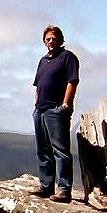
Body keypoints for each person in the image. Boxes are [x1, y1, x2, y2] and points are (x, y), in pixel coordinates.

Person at [31, 25, 79, 203]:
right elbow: (37, 85)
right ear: (44, 41)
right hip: (41, 110)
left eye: (54, 38)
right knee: (43, 150)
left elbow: (72, 81)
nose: (51, 41)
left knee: (61, 151)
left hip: (56, 110)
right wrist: (37, 103)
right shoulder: (43, 60)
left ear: (61, 40)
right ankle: (45, 186)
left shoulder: (67, 57)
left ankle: (64, 190)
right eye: (48, 39)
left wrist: (65, 104)